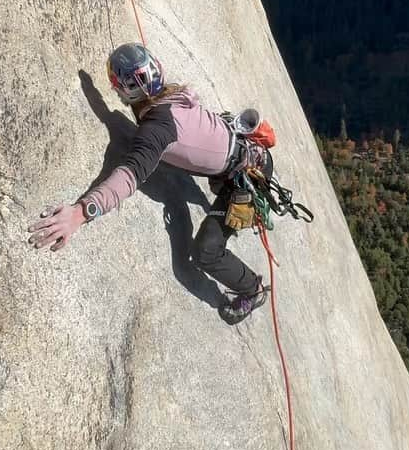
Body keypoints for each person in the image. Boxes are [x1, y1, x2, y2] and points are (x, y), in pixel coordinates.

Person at [28, 43, 272, 324]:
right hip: (246, 153)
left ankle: (252, 290)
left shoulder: (156, 129)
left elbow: (129, 177)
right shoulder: (174, 95)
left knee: (205, 252)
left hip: (245, 181)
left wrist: (80, 213)